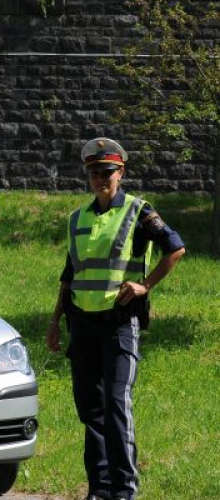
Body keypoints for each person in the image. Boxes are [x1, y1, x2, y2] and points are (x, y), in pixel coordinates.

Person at [46, 138, 185, 500]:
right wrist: (55, 320)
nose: (99, 178)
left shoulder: (140, 211)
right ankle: (100, 488)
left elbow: (176, 248)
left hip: (120, 323)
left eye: (106, 172)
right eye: (93, 172)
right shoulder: (78, 218)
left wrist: (145, 286)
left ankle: (124, 489)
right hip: (82, 324)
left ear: (120, 173)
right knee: (90, 410)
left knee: (115, 403)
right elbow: (69, 273)